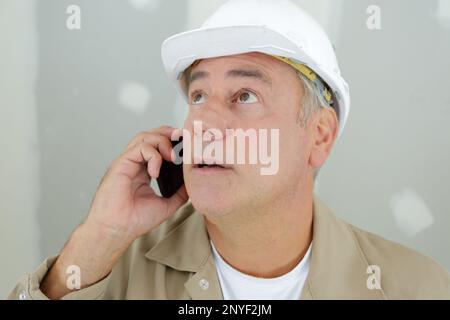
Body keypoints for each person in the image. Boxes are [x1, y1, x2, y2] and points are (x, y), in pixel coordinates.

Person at [8, 0, 449, 300]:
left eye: (245, 96)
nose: (205, 123)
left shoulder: (416, 287)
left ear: (319, 136)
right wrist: (100, 237)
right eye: (198, 97)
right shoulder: (110, 272)